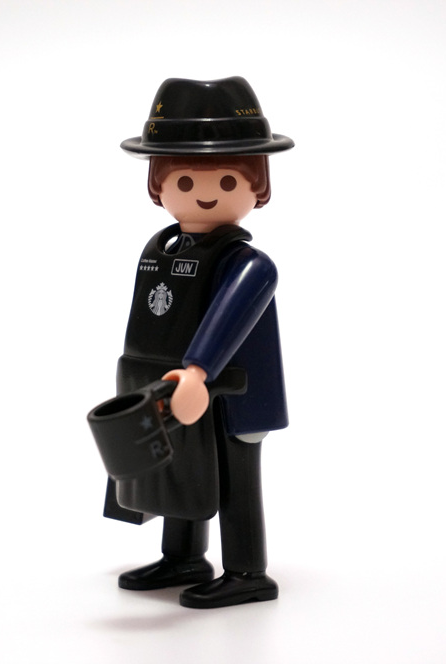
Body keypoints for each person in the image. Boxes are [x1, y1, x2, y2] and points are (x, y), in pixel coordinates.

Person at [104, 77, 293, 609]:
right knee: (178, 468)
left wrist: (197, 372)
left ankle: (247, 570)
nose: (204, 193)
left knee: (235, 481)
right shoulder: (164, 250)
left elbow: (226, 320)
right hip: (172, 385)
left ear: (258, 186)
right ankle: (183, 557)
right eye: (184, 181)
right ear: (158, 185)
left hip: (233, 396)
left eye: (229, 179)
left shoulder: (249, 265)